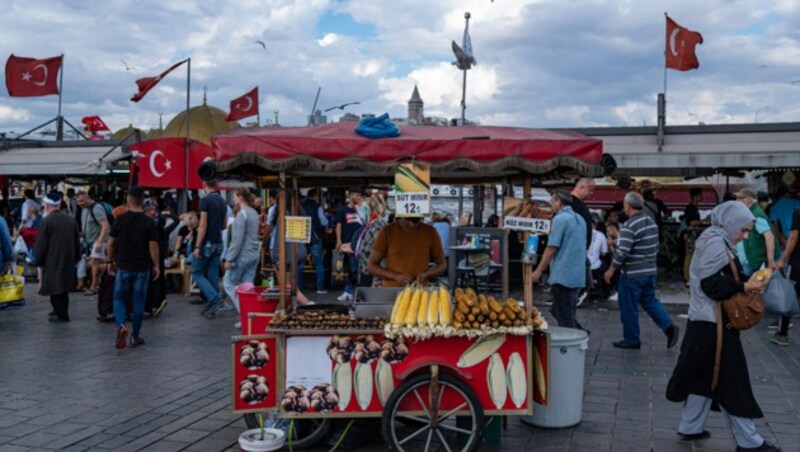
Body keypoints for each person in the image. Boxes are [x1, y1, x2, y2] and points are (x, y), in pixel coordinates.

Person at [666, 201, 779, 452]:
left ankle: (690, 426)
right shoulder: (716, 242)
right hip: (715, 325)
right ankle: (749, 441)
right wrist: (744, 286)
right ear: (731, 223)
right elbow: (711, 284)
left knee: (702, 375)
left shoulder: (714, 238)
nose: (745, 235)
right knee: (732, 380)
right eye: (743, 229)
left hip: (705, 323)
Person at [604, 192, 679, 349]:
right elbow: (655, 245)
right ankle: (669, 327)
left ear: (628, 206)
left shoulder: (629, 225)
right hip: (650, 270)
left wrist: (611, 270)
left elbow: (622, 252)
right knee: (650, 301)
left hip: (632, 273)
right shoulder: (650, 222)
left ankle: (632, 339)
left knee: (628, 306)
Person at [107, 187, 159, 349]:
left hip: (123, 266)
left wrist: (110, 261)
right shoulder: (148, 222)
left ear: (129, 200)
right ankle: (135, 336)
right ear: (143, 201)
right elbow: (153, 246)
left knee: (119, 298)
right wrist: (156, 264)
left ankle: (121, 325)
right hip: (142, 267)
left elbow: (111, 243)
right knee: (138, 301)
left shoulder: (120, 220)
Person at [532, 190, 587, 329]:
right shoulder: (580, 219)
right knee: (562, 310)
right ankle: (579, 332)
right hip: (577, 274)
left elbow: (551, 248)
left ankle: (574, 340)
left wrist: (538, 271)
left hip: (563, 274)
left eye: (552, 201)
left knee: (565, 316)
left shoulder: (560, 219)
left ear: (559, 202)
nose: (551, 205)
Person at [34, 193, 81, 322]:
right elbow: (77, 242)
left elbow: (41, 244)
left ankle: (61, 314)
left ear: (47, 205)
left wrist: (38, 260)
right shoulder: (71, 220)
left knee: (55, 287)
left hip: (52, 260)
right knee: (63, 288)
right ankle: (59, 311)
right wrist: (76, 258)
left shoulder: (46, 221)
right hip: (68, 259)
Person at [366, 215, 446, 287]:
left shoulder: (431, 232)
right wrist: (394, 276)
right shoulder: (387, 231)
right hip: (390, 290)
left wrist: (425, 275)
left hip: (419, 292)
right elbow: (371, 266)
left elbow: (442, 264)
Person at [223, 188, 261, 328]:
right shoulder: (254, 213)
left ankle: (246, 315)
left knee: (228, 282)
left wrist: (229, 258)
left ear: (239, 197)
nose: (233, 199)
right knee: (248, 287)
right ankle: (252, 316)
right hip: (254, 253)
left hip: (242, 254)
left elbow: (237, 240)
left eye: (234, 196)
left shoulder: (242, 214)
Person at [193, 180, 228, 316]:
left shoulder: (205, 200)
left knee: (197, 272)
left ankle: (214, 298)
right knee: (212, 273)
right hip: (218, 241)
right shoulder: (222, 201)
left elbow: (202, 225)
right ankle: (211, 307)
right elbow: (224, 224)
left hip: (207, 242)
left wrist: (197, 246)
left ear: (204, 185)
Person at [144, 199, 178, 318]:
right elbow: (176, 220)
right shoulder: (164, 230)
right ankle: (160, 300)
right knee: (159, 279)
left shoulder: (147, 225)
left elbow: (151, 244)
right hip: (162, 256)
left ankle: (151, 305)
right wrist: (168, 214)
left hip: (150, 255)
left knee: (150, 281)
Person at [734, 188, 779, 276]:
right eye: (738, 198)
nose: (738, 200)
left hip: (761, 263)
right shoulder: (749, 213)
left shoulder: (756, 215)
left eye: (741, 198)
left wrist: (770, 260)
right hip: (754, 262)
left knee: (764, 288)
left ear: (750, 199)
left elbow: (769, 237)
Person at [333, 187, 364, 301]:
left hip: (360, 244)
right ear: (350, 196)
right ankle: (349, 290)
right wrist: (339, 241)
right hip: (347, 243)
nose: (359, 197)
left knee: (357, 268)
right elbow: (339, 225)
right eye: (357, 195)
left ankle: (352, 290)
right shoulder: (343, 210)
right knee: (350, 268)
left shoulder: (361, 210)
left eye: (360, 195)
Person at [76, 191, 110, 296]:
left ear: (87, 198)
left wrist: (100, 242)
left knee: (94, 263)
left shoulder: (96, 208)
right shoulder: (84, 209)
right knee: (101, 262)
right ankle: (102, 283)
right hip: (90, 241)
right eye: (78, 201)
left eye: (81, 201)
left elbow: (105, 225)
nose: (79, 203)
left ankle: (93, 287)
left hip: (99, 240)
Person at [775, 207, 800, 346]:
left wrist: (783, 259)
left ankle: (782, 334)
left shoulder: (798, 212)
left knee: (790, 296)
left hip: (798, 262)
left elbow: (794, 237)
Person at [301, 189, 330, 294]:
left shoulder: (301, 206)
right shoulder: (318, 207)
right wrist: (327, 228)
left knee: (299, 263)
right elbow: (324, 221)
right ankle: (320, 288)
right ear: (315, 196)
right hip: (315, 237)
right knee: (319, 263)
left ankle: (299, 287)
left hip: (302, 237)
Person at [356, 195, 389, 286]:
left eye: (364, 209)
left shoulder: (378, 224)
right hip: (368, 266)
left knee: (370, 294)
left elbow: (378, 245)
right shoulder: (371, 224)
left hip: (373, 269)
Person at [587, 219, 609, 302]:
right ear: (594, 225)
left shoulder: (580, 233)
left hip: (582, 266)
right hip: (595, 266)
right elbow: (604, 253)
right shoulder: (601, 235)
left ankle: (591, 283)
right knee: (606, 264)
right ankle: (602, 288)